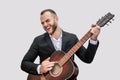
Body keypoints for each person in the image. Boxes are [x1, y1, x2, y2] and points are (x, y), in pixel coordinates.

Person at [21, 9, 101, 80]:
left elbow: (87, 59)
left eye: (47, 21)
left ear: (56, 19)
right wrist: (40, 68)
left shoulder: (72, 38)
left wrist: (93, 39)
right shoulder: (38, 40)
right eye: (42, 23)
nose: (45, 25)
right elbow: (24, 63)